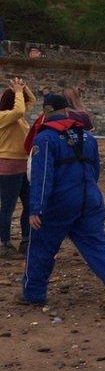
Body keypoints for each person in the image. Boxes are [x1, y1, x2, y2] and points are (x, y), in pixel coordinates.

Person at [18, 93, 105, 311]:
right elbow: (95, 170)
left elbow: (42, 176)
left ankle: (33, 293)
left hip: (60, 200)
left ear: (45, 112)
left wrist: (36, 208)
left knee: (42, 245)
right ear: (67, 111)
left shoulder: (45, 138)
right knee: (96, 243)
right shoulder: (87, 137)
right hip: (90, 197)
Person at [0, 78, 35, 259]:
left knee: (29, 204)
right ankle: (4, 244)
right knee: (7, 207)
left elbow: (31, 102)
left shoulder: (17, 118)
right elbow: (20, 108)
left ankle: (26, 241)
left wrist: (22, 87)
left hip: (22, 165)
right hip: (8, 166)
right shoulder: (4, 116)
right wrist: (18, 92)